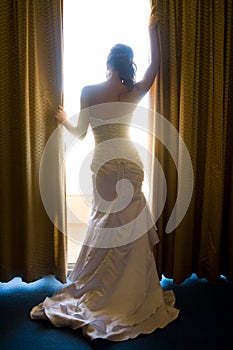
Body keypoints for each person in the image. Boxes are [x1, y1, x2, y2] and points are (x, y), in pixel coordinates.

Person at [30, 6, 179, 341]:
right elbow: (155, 65)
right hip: (131, 164)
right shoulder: (133, 92)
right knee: (131, 230)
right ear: (128, 66)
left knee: (105, 225)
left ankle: (101, 287)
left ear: (108, 64)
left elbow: (80, 133)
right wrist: (153, 31)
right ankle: (131, 291)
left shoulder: (90, 91)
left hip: (106, 168)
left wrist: (63, 118)